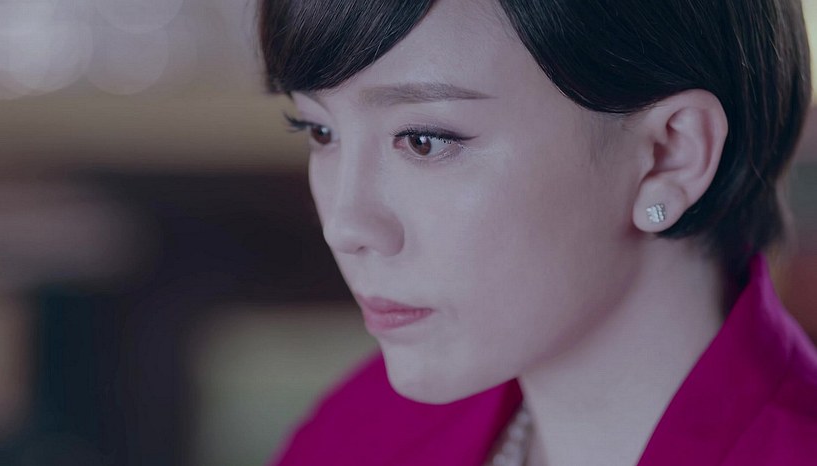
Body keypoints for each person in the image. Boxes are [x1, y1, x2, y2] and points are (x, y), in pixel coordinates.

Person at [258, 0, 817, 464]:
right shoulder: (356, 434)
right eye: (319, 130)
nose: (344, 226)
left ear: (669, 155)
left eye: (424, 140)